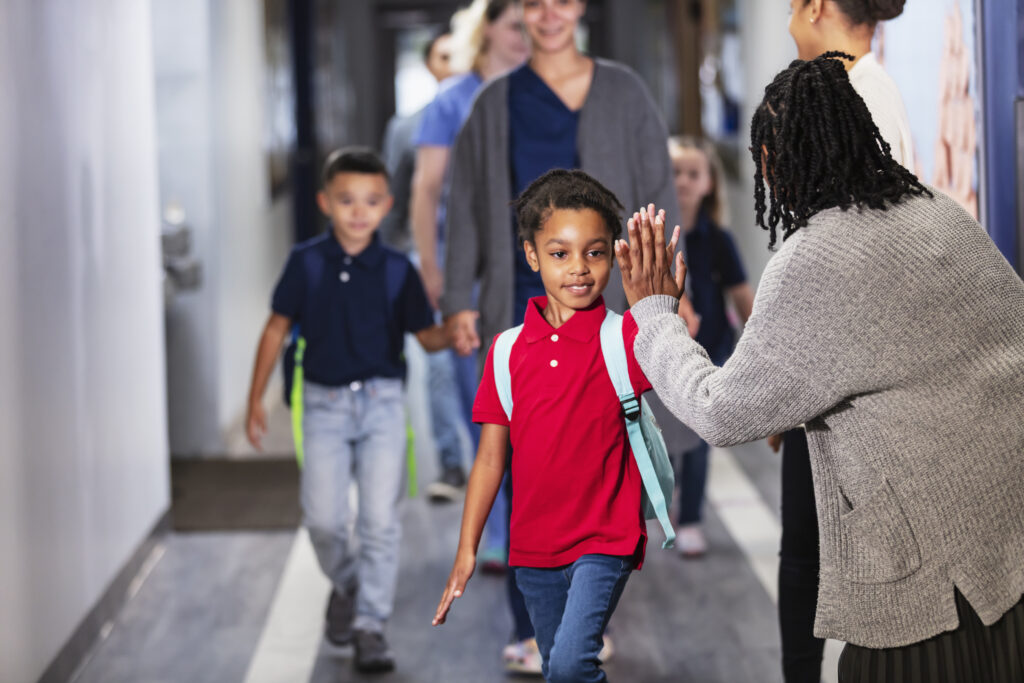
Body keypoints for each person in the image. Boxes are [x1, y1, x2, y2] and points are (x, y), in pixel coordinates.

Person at [617, 53, 1024, 683]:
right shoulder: (942, 216)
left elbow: (719, 411)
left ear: (775, 164)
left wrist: (654, 313)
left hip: (936, 596)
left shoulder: (818, 257)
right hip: (1008, 550)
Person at [434, 169, 675, 683]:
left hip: (606, 539)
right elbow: (490, 460)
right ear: (532, 255)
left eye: (595, 252)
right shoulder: (505, 352)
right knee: (558, 670)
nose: (580, 269)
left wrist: (664, 308)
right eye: (560, 253)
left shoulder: (627, 337)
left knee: (569, 666)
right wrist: (467, 549)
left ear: (614, 254)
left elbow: (683, 366)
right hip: (533, 546)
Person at [244, 148, 450, 674]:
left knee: (381, 521)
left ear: (387, 206)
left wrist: (457, 330)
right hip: (323, 406)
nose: (359, 211)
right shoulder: (306, 262)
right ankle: (351, 580)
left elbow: (426, 339)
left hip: (382, 404)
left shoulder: (396, 271)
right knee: (324, 521)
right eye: (346, 200)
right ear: (325, 203)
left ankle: (370, 626)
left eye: (371, 201)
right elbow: (275, 329)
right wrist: (254, 399)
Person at [776, 2, 912, 680]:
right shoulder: (862, 85)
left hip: (847, 375)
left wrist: (785, 381)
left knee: (813, 550)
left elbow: (843, 257)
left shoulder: (853, 94)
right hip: (838, 368)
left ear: (819, 6)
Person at [411, 0, 528, 507]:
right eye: (515, 25)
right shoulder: (452, 100)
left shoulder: (536, 94)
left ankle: (525, 516)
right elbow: (426, 189)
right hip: (465, 261)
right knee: (481, 398)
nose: (527, 34)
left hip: (524, 260)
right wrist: (433, 269)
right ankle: (500, 525)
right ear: (488, 30)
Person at [667, 135, 754, 557]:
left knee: (699, 435)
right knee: (666, 434)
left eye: (693, 174)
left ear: (709, 184)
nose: (683, 181)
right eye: (675, 173)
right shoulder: (652, 236)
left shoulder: (719, 239)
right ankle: (665, 501)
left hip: (712, 349)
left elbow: (741, 295)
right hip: (665, 355)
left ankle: (692, 519)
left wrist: (760, 345)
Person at [378, 30, 455, 252]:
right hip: (428, 252)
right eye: (444, 57)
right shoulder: (405, 128)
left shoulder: (497, 121)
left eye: (461, 57)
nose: (454, 66)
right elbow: (393, 202)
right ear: (429, 65)